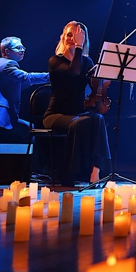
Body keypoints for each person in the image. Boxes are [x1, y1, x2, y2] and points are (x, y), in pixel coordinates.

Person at [43, 21, 110, 184]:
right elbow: (74, 71)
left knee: (98, 119)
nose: (72, 39)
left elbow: (95, 85)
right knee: (78, 124)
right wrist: (79, 47)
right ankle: (69, 175)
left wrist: (105, 74)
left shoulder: (87, 62)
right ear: (63, 38)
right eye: (69, 35)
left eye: (77, 36)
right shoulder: (55, 61)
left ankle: (95, 171)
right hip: (56, 114)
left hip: (78, 112)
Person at [0, 36, 49, 138]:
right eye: (18, 48)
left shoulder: (1, 63)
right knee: (28, 130)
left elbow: (21, 84)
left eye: (23, 47)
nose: (22, 50)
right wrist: (52, 76)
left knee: (28, 128)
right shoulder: (7, 64)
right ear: (7, 51)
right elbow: (26, 77)